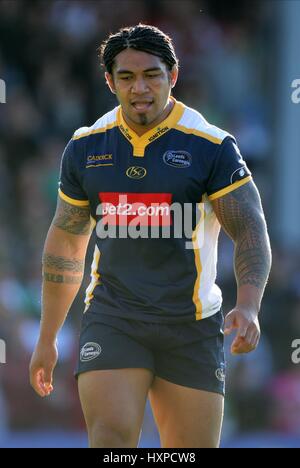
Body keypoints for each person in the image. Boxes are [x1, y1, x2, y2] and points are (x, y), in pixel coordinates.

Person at [29, 24, 272, 448]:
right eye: (126, 77)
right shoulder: (86, 148)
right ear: (109, 82)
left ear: (172, 76)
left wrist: (249, 305)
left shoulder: (211, 146)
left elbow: (250, 229)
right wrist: (47, 337)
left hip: (192, 324)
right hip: (114, 317)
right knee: (111, 440)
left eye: (152, 75)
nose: (139, 88)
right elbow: (67, 242)